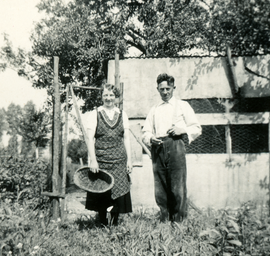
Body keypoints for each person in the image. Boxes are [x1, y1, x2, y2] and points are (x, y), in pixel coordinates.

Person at [142, 73, 201, 222]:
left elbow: (196, 128)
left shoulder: (182, 106)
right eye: (162, 89)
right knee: (160, 188)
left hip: (176, 147)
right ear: (157, 89)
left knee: (177, 187)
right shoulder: (154, 109)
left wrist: (183, 130)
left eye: (168, 88)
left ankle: (179, 222)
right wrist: (151, 138)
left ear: (173, 88)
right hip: (158, 148)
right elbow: (145, 132)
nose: (165, 92)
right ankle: (164, 220)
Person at [85, 83, 133, 226]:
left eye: (111, 95)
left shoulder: (122, 114)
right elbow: (89, 138)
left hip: (119, 161)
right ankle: (103, 225)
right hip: (102, 160)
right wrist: (93, 160)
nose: (108, 98)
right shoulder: (95, 113)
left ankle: (115, 226)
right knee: (102, 193)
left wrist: (129, 160)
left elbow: (126, 138)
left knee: (117, 196)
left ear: (116, 97)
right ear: (101, 97)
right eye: (105, 95)